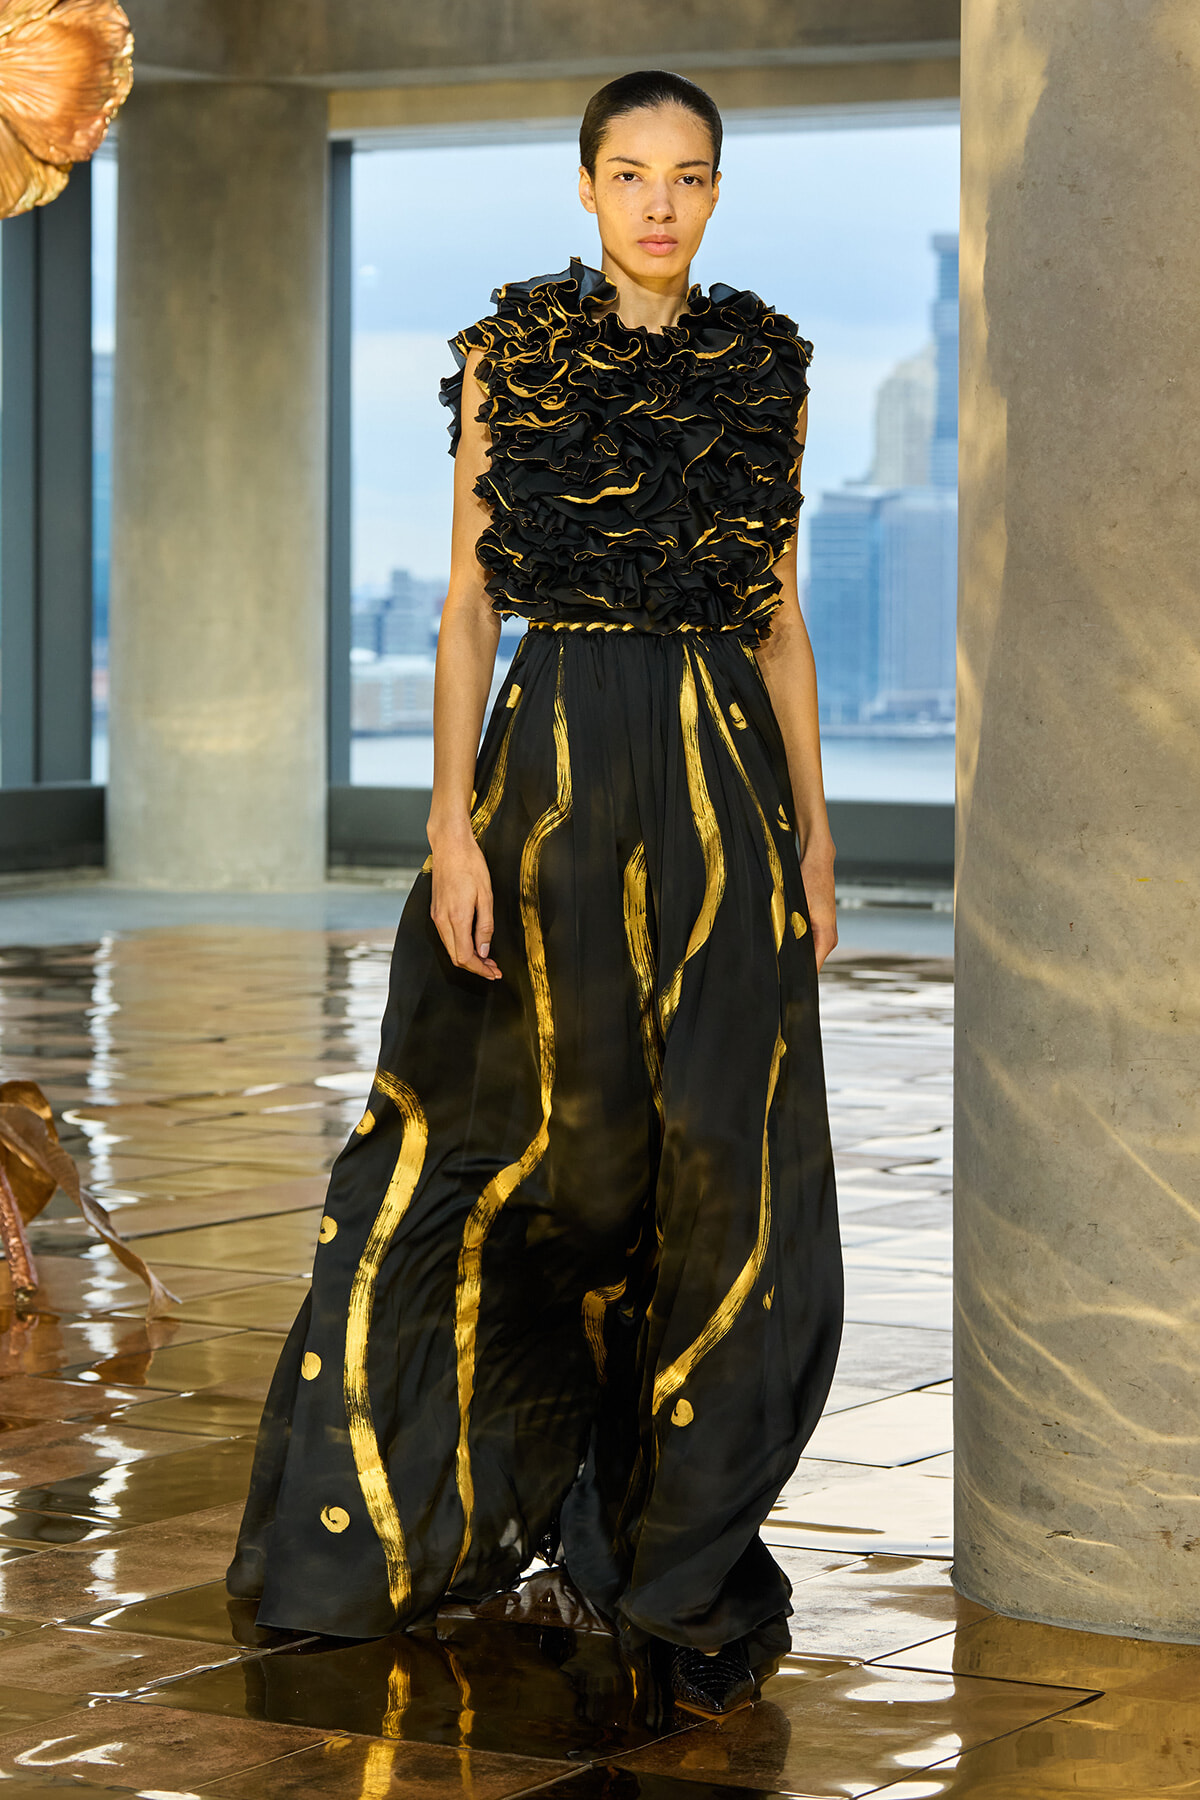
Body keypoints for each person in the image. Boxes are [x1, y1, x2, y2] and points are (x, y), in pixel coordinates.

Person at [228, 68, 843, 1721]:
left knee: (728, 1166)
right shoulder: (517, 348)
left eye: (690, 176)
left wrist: (815, 830)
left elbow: (780, 621)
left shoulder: (766, 363)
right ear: (584, 187)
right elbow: (464, 607)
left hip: (718, 777)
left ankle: (675, 1556)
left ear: (718, 193)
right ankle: (433, 1510)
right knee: (507, 1148)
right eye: (631, 173)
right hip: (552, 769)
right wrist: (450, 819)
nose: (660, 202)